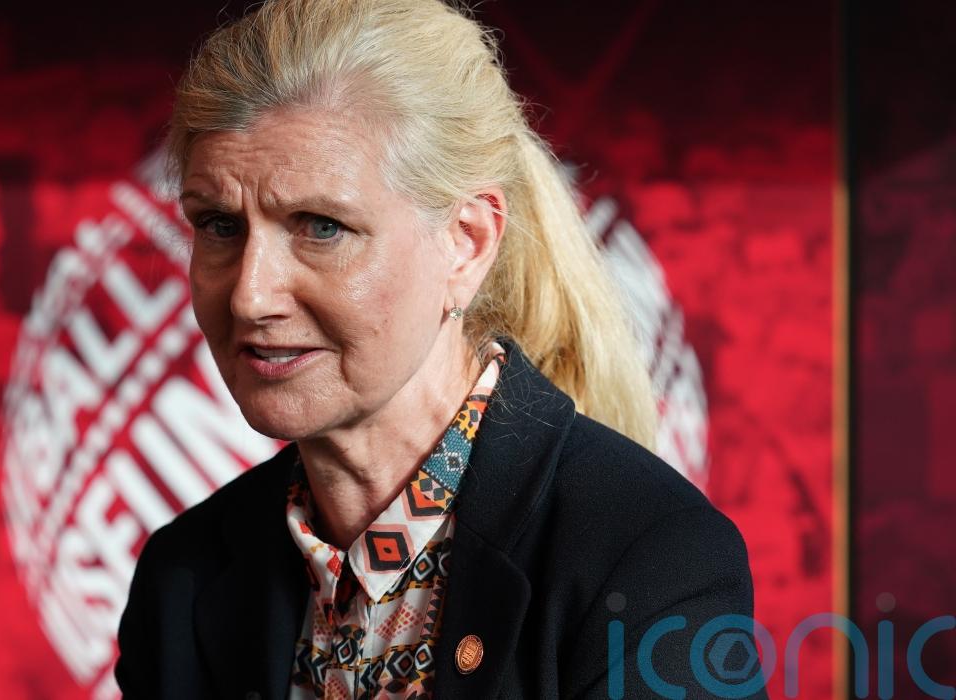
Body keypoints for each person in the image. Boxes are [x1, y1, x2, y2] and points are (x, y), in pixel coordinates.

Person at [116, 1, 763, 698]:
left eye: (322, 227)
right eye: (219, 224)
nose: (250, 296)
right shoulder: (182, 580)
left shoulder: (649, 560)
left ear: (467, 243)